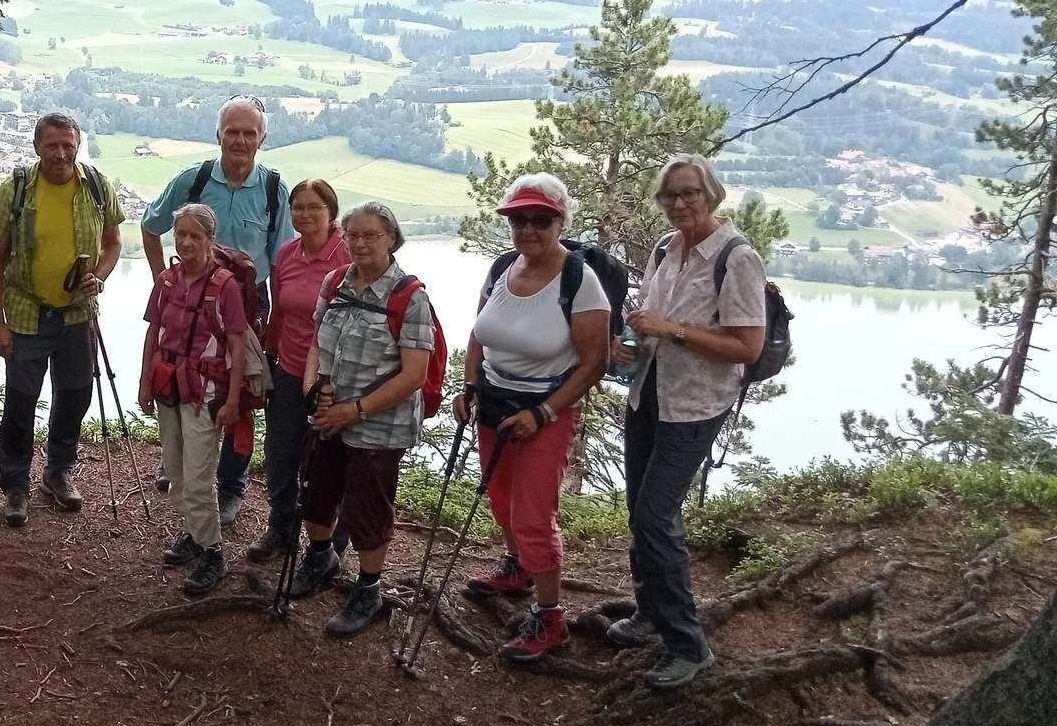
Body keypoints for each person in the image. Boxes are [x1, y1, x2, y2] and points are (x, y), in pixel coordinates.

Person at [610, 154, 766, 689]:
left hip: (696, 405)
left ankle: (688, 645)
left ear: (712, 195)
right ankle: (650, 612)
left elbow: (747, 347)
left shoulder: (736, 258)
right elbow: (650, 322)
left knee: (656, 516)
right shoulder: (663, 249)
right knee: (639, 510)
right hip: (649, 394)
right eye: (669, 195)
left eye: (689, 194)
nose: (678, 204)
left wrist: (671, 329)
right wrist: (629, 344)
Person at [455, 174, 610, 661]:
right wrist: (469, 385)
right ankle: (518, 567)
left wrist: (542, 413)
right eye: (518, 219)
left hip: (546, 411)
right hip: (495, 404)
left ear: (561, 221)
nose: (527, 229)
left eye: (540, 219)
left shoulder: (578, 280)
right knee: (500, 499)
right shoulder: (503, 268)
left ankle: (551, 617)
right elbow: (479, 332)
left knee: (533, 514)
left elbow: (595, 362)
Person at [140, 95, 293, 526]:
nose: (240, 141)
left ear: (262, 139)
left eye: (249, 133)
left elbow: (281, 261)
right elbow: (150, 228)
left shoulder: (272, 189)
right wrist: (162, 284)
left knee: (240, 394)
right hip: (188, 301)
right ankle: (180, 464)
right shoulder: (194, 179)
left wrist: (277, 319)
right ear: (218, 135)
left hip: (246, 304)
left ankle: (230, 486)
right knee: (178, 376)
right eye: (233, 132)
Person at [287, 202, 435, 637]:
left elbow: (414, 375)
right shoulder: (335, 282)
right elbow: (317, 344)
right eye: (353, 235)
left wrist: (353, 410)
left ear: (391, 238)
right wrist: (312, 391)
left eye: (371, 235)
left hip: (376, 426)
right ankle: (320, 556)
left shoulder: (410, 297)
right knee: (316, 492)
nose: (360, 243)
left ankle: (368, 589)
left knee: (368, 508)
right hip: (329, 414)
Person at [0, 113, 124, 527]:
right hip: (27, 312)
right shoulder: (18, 188)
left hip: (78, 314)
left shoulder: (96, 186)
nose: (61, 153)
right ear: (36, 146)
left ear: (78, 145)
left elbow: (115, 243)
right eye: (52, 145)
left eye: (68, 144)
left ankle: (58, 471)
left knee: (76, 394)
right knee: (21, 402)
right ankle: (15, 484)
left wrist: (101, 276)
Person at [138, 204, 248, 595]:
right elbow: (155, 333)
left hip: (205, 392)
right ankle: (193, 533)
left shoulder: (225, 287)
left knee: (200, 477)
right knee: (176, 472)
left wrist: (233, 400)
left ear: (210, 240)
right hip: (169, 384)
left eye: (195, 236)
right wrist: (144, 381)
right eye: (180, 234)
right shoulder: (167, 281)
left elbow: (237, 347)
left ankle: (213, 554)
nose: (186, 242)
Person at [247, 179, 350, 564]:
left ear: (331, 213)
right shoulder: (287, 254)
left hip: (335, 377)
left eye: (314, 207)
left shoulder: (347, 257)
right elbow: (279, 314)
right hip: (289, 368)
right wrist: (270, 360)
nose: (305, 214)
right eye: (298, 208)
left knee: (329, 459)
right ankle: (281, 527)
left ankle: (332, 540)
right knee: (280, 453)